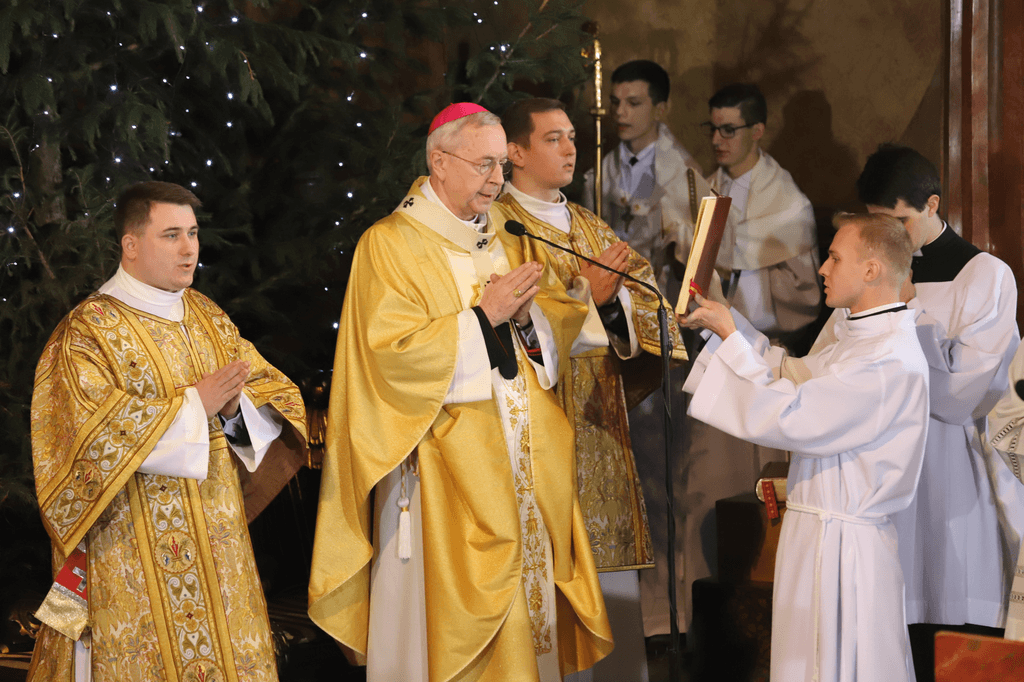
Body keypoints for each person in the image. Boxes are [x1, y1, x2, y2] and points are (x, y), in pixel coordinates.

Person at [307, 103, 612, 682]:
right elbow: (387, 359)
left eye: (501, 165)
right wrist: (482, 319)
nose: (497, 180)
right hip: (440, 468)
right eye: (483, 165)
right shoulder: (390, 244)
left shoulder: (506, 235)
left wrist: (526, 320)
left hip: (520, 458)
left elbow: (551, 318)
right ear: (439, 162)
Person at [26, 181, 309, 682]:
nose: (189, 248)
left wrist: (232, 412)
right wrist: (195, 405)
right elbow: (86, 438)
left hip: (217, 542)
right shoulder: (88, 331)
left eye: (193, 233)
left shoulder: (207, 316)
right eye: (172, 235)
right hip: (128, 546)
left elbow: (267, 400)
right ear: (131, 245)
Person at [680, 212, 929, 682]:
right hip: (818, 533)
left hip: (845, 548)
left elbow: (794, 416)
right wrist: (725, 318)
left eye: (834, 258)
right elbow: (791, 374)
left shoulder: (887, 360)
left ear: (871, 270)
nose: (822, 268)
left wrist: (731, 337)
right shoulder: (859, 338)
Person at [811, 144, 1024, 680]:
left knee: (950, 625)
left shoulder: (985, 275)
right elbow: (822, 369)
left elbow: (960, 397)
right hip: (878, 479)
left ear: (932, 205)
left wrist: (905, 312)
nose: (890, 238)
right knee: (889, 626)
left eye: (900, 222)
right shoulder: (867, 271)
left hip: (953, 476)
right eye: (878, 224)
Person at [495, 97, 687, 681]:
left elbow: (650, 304)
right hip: (537, 430)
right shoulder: (500, 229)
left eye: (572, 137)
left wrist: (616, 301)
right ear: (516, 152)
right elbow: (502, 323)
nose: (570, 148)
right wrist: (586, 296)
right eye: (553, 138)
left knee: (612, 587)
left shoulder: (589, 225)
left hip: (601, 428)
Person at [704, 82, 822, 344]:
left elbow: (803, 292)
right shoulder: (707, 186)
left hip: (764, 340)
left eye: (728, 130)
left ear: (757, 131)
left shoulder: (789, 202)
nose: (716, 140)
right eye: (713, 129)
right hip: (710, 334)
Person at [582, 59, 710, 297]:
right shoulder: (599, 173)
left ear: (660, 109)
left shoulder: (685, 176)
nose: (619, 112)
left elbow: (694, 261)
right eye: (615, 102)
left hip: (660, 294)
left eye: (633, 103)